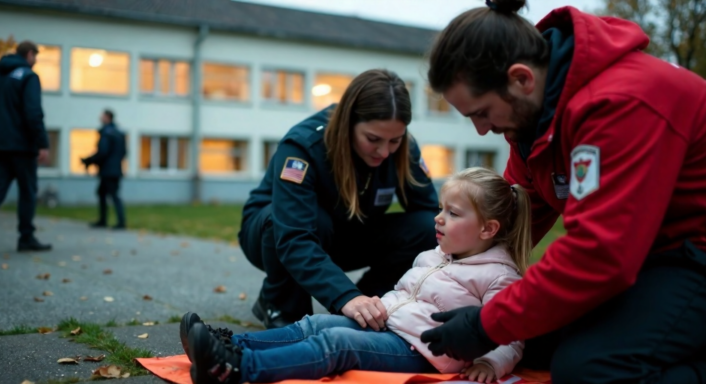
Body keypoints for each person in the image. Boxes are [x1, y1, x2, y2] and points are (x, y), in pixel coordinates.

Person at [419, 1, 706, 383]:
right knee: (531, 342)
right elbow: (517, 216)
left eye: (481, 112)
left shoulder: (621, 103)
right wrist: (456, 279)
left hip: (690, 255)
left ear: (522, 79)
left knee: (589, 369)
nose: (481, 130)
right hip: (649, 255)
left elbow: (601, 254)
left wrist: (484, 324)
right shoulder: (534, 123)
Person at [182, 167, 532, 384]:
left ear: (488, 229)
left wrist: (490, 362)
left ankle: (238, 368)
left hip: (420, 349)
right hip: (391, 327)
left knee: (338, 345)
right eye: (440, 209)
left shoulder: (499, 275)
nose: (438, 218)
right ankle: (226, 346)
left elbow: (512, 334)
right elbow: (406, 293)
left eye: (452, 213)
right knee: (317, 325)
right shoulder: (436, 254)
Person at [238, 69, 439, 330]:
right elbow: (294, 235)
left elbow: (430, 213)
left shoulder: (404, 149)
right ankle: (280, 304)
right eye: (373, 139)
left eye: (394, 141)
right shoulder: (303, 146)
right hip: (278, 235)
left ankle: (368, 304)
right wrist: (344, 296)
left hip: (347, 233)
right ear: (348, 123)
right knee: (312, 222)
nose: (384, 151)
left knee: (428, 227)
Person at [0, 40, 52, 256]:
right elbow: (33, 112)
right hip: (22, 146)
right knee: (27, 191)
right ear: (30, 54)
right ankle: (26, 237)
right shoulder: (28, 76)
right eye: (36, 57)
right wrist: (42, 143)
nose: (36, 61)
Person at [81, 109, 127, 230]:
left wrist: (89, 161)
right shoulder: (119, 133)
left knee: (112, 195)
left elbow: (102, 152)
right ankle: (105, 220)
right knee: (104, 193)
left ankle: (118, 222)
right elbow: (124, 152)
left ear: (107, 117)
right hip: (116, 169)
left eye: (102, 116)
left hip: (108, 170)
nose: (100, 118)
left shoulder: (107, 133)